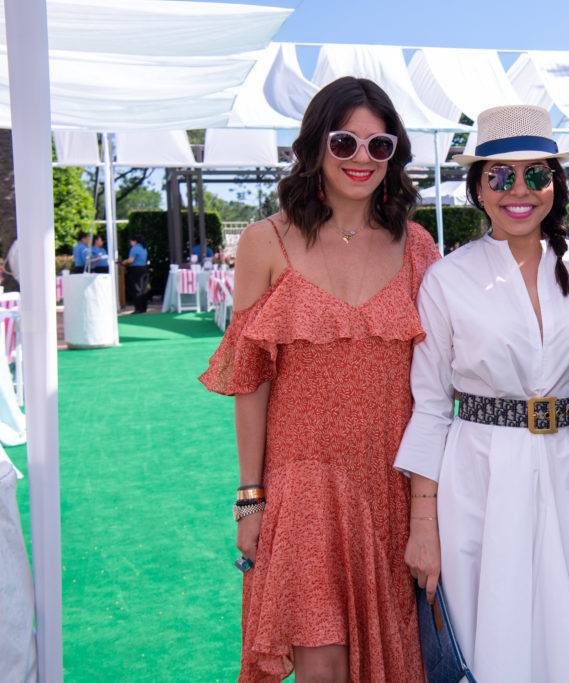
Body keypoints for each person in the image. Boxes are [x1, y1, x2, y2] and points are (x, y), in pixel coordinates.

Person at [198, 77, 437, 682]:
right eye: (344, 142)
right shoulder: (266, 242)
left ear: (394, 156)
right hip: (303, 483)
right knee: (322, 663)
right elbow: (250, 382)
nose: (362, 158)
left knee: (398, 660)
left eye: (378, 146)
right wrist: (250, 497)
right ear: (314, 147)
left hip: (392, 485)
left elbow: (439, 380)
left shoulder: (416, 247)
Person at [396, 104, 569, 683]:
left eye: (536, 175)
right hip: (483, 479)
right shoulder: (447, 279)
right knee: (495, 634)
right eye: (498, 176)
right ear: (476, 187)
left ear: (556, 183)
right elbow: (430, 405)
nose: (518, 191)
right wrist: (423, 523)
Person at [120, 236, 148, 314]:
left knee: (137, 288)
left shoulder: (134, 248)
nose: (130, 243)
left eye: (131, 241)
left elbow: (131, 260)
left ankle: (138, 308)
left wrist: (123, 262)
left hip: (136, 270)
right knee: (143, 289)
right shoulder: (143, 248)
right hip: (144, 269)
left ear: (135, 241)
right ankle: (144, 307)